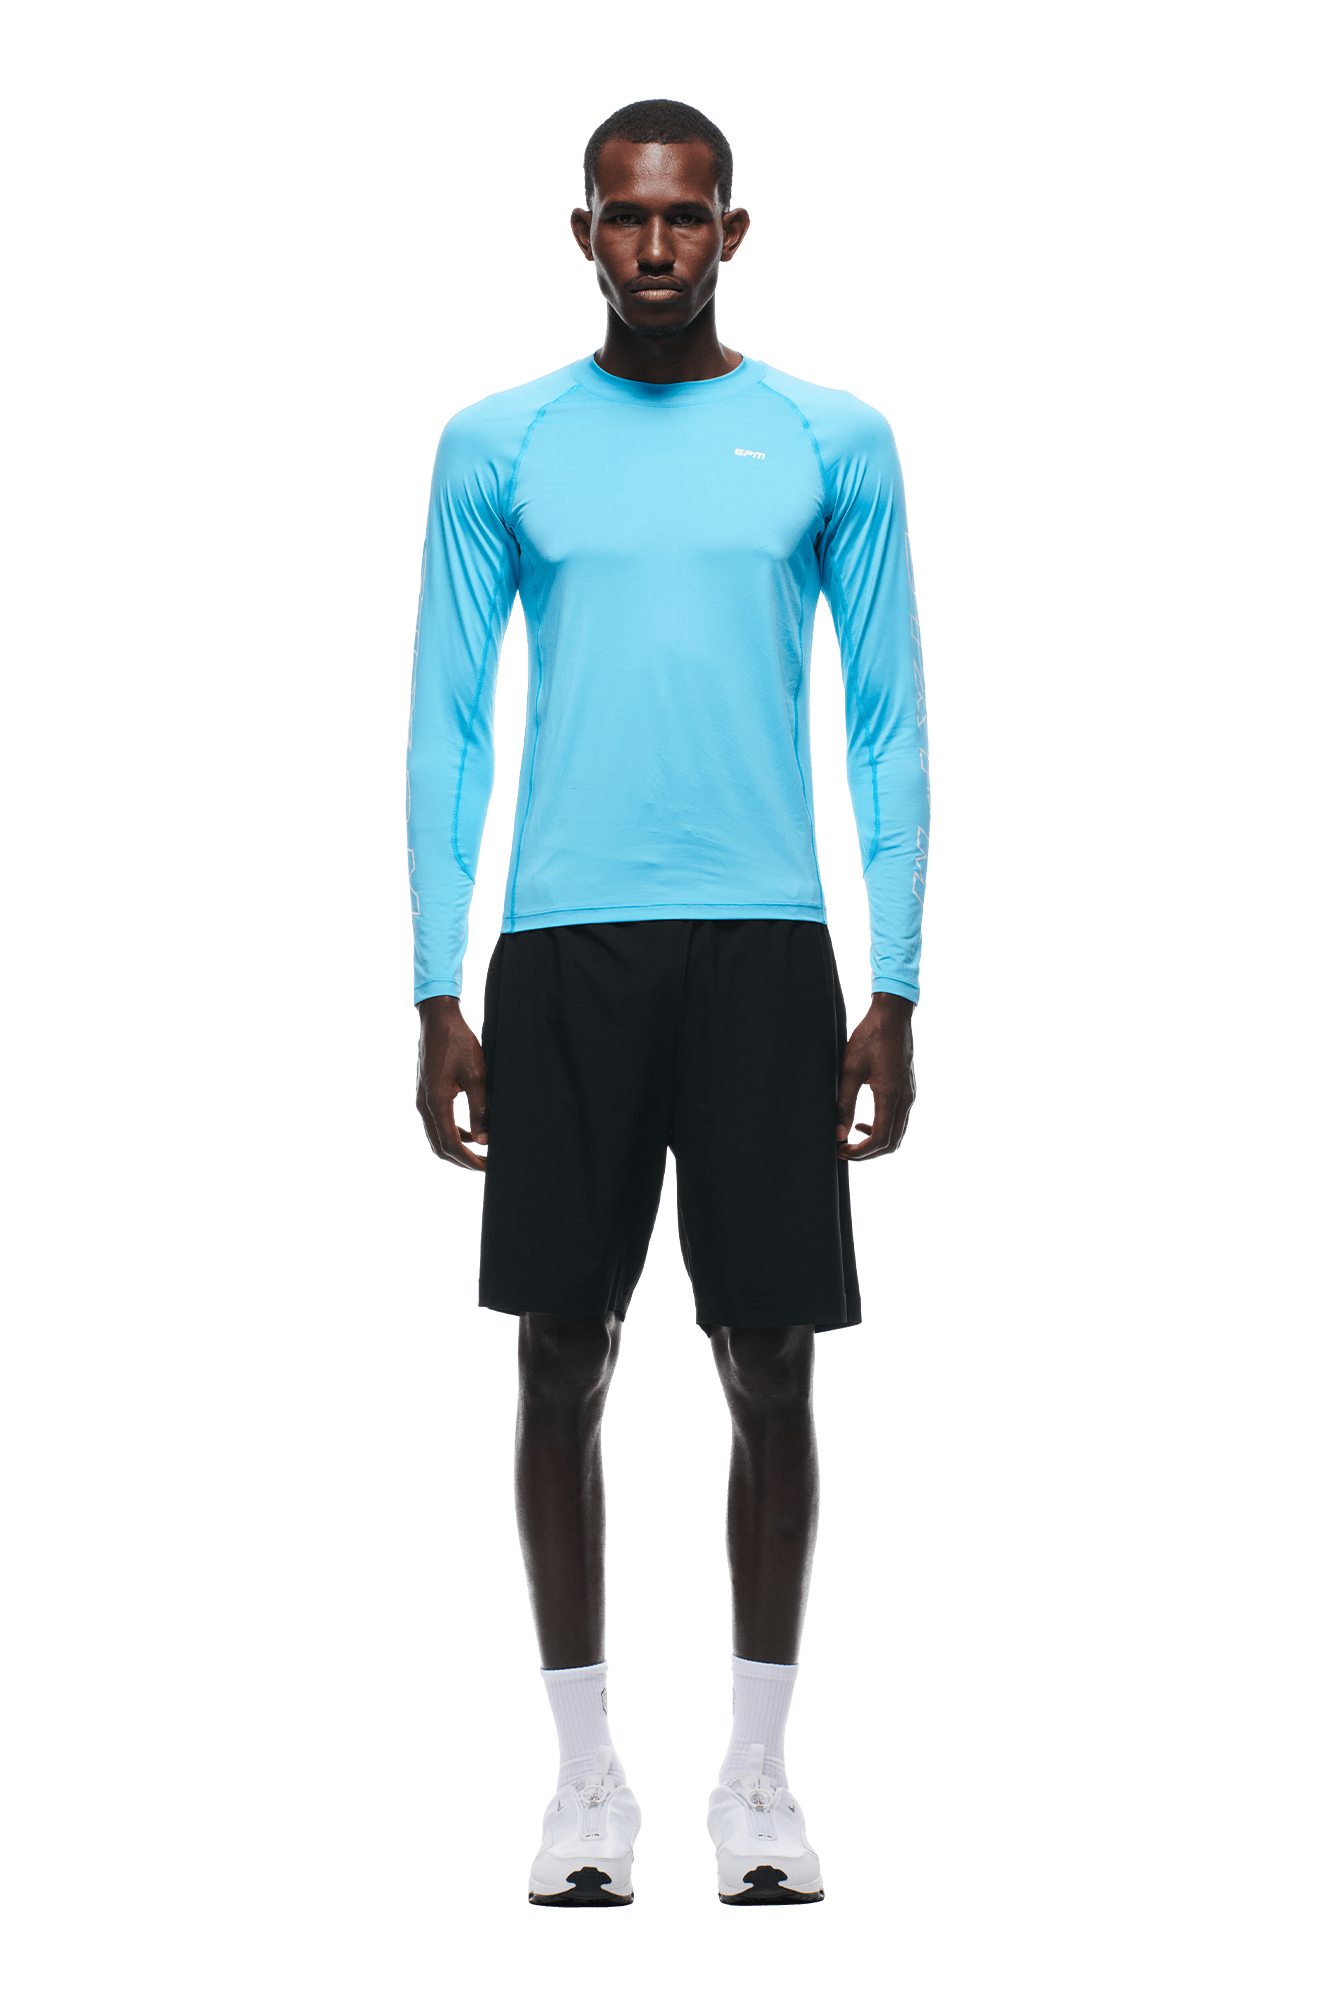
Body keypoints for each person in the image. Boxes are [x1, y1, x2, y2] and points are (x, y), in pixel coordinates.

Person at [406, 98, 930, 1908]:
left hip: (766, 947)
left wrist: (896, 977)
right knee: (560, 1352)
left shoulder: (831, 439)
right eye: (625, 219)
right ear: (584, 233)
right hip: (566, 949)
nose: (655, 248)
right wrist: (436, 982)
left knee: (770, 1358)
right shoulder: (499, 444)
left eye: (686, 218)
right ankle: (584, 1792)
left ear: (731, 232)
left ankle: (759, 1788)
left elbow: (889, 724)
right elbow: (448, 725)